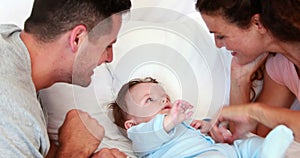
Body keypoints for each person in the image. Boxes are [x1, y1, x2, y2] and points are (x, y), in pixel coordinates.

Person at [0, 0, 131, 157]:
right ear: (77, 39)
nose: (109, 58)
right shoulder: (13, 110)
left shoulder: (9, 39)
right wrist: (74, 151)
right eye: (107, 46)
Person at [195, 0, 300, 145]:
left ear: (258, 24)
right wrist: (240, 77)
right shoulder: (281, 65)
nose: (218, 45)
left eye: (221, 36)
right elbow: (255, 138)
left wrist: (254, 112)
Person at [108, 77, 293, 158]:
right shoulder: (141, 137)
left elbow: (205, 133)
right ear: (131, 124)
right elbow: (155, 130)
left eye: (164, 96)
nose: (163, 99)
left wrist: (209, 128)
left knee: (247, 146)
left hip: (223, 151)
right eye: (150, 99)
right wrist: (171, 120)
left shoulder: (184, 123)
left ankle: (266, 153)